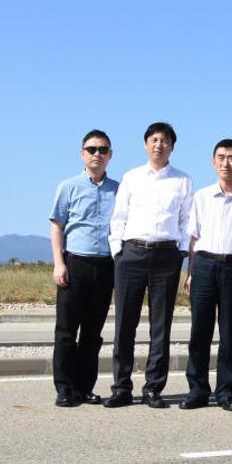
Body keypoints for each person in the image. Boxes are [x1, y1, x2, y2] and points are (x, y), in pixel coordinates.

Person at [105, 122, 193, 408]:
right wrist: (118, 251)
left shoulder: (183, 181)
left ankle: (153, 388)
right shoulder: (131, 177)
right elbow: (119, 217)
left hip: (166, 257)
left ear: (172, 147)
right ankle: (121, 387)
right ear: (145, 144)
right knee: (124, 325)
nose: (159, 145)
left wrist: (180, 254)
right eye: (154, 139)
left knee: (161, 326)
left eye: (165, 140)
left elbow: (186, 220)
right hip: (131, 254)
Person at [180, 139, 232, 412]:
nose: (226, 163)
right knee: (199, 331)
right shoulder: (201, 196)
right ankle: (197, 390)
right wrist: (190, 274)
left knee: (229, 332)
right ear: (213, 162)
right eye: (221, 157)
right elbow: (193, 239)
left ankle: (227, 391)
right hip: (204, 265)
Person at [49, 129, 119, 407]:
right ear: (82, 154)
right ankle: (64, 387)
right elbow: (57, 225)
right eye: (92, 149)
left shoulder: (119, 189)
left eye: (103, 150)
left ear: (110, 155)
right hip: (75, 262)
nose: (97, 154)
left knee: (93, 332)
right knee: (67, 330)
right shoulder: (68, 187)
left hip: (105, 266)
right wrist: (58, 262)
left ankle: (84, 386)